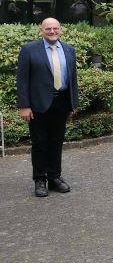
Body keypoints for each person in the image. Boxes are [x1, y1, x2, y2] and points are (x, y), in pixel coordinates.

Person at [16, 18, 79, 197]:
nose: (52, 31)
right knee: (40, 144)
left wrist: (73, 104)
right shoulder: (29, 50)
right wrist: (24, 105)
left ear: (61, 30)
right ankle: (40, 180)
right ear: (41, 30)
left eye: (55, 28)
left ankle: (54, 177)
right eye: (48, 29)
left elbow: (72, 79)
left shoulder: (69, 49)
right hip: (37, 105)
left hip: (61, 102)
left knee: (56, 142)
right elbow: (22, 80)